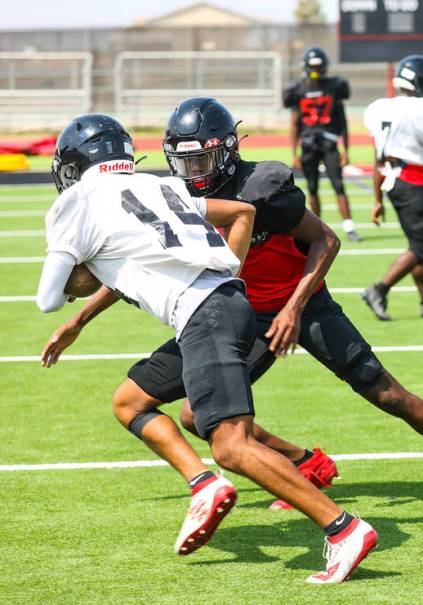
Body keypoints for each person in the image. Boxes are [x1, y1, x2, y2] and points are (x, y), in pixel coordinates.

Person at [37, 113, 377, 584]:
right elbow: (240, 214)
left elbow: (47, 298)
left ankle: (344, 529)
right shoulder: (155, 185)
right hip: (220, 306)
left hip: (206, 313)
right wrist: (226, 282)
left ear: (72, 164)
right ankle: (203, 483)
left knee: (231, 445)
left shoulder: (76, 205)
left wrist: (84, 269)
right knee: (130, 401)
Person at [360, 56, 423, 321]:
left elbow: (377, 157)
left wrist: (376, 200)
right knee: (422, 247)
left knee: (414, 244)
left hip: (390, 181)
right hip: (411, 184)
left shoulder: (380, 107)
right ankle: (378, 290)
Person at [284, 46, 360, 240]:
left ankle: (349, 226)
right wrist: (294, 152)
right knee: (312, 187)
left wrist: (345, 148)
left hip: (329, 143)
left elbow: (342, 120)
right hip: (309, 144)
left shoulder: (334, 87)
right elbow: (294, 124)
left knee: (338, 185)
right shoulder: (298, 90)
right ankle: (317, 226)